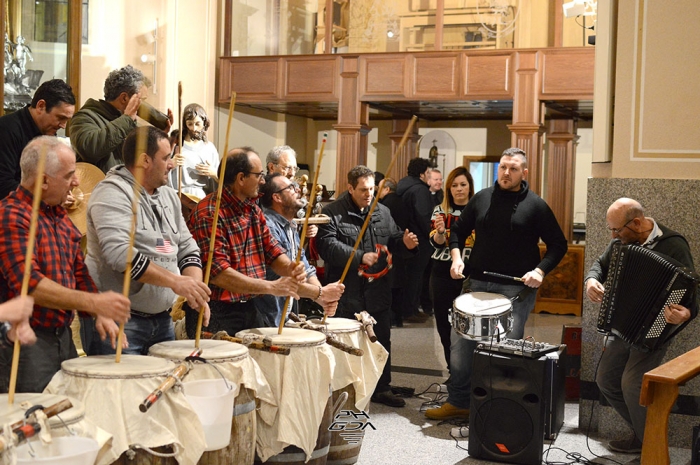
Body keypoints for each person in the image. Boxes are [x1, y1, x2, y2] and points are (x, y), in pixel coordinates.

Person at [425, 147, 567, 420]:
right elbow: (458, 230)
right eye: (503, 167)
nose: (506, 172)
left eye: (513, 168)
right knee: (461, 345)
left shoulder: (536, 205)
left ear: (524, 172)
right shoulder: (481, 199)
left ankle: (500, 406)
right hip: (476, 283)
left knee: (506, 350)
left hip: (515, 288)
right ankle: (459, 401)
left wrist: (540, 270)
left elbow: (557, 245)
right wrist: (456, 258)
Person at [0, 136, 131, 393]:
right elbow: (30, 285)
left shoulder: (57, 213)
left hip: (60, 337)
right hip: (24, 343)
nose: (77, 181)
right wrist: (93, 303)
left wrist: (99, 312)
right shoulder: (11, 216)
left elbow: (78, 272)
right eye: (69, 174)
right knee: (29, 419)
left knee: (64, 414)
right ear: (44, 181)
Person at [85, 126, 210, 355]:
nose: (172, 164)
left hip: (162, 322)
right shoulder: (112, 193)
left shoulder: (168, 194)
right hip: (121, 323)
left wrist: (194, 288)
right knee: (124, 390)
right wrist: (175, 281)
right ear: (145, 160)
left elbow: (186, 246)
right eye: (166, 157)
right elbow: (120, 255)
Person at [585, 198, 696, 455]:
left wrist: (686, 312)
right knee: (605, 379)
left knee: (632, 383)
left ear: (636, 223)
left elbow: (692, 291)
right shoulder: (620, 243)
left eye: (617, 229)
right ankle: (643, 433)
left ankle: (652, 448)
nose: (613, 236)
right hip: (623, 325)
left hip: (655, 329)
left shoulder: (674, 245)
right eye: (610, 230)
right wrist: (591, 281)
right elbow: (599, 265)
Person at [316, 165, 419, 408]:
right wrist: (359, 255)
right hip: (347, 291)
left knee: (381, 340)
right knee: (346, 343)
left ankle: (382, 388)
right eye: (363, 189)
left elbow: (393, 240)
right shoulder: (332, 212)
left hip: (378, 290)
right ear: (350, 188)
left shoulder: (382, 212)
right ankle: (343, 388)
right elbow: (327, 246)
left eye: (372, 189)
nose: (369, 194)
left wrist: (405, 244)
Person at [185, 147, 306, 338]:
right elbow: (219, 273)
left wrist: (290, 268)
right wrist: (270, 287)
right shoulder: (209, 213)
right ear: (241, 178)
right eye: (258, 175)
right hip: (216, 311)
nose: (263, 180)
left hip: (249, 308)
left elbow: (271, 251)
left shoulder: (252, 209)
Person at [256, 173, 345, 326]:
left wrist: (322, 298)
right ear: (277, 197)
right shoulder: (268, 226)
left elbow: (306, 268)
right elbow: (277, 277)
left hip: (285, 316)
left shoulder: (290, 226)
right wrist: (320, 293)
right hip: (267, 317)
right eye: (290, 188)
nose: (297, 190)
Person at [70, 65, 173, 173]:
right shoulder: (84, 117)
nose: (142, 106)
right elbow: (89, 149)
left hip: (126, 188)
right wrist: (127, 119)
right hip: (102, 188)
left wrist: (160, 135)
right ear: (124, 98)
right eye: (141, 100)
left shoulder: (129, 124)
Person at [428, 166, 474, 372]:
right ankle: (452, 371)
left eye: (463, 185)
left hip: (471, 271)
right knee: (445, 325)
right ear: (448, 189)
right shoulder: (440, 210)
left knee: (469, 326)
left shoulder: (478, 210)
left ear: (470, 187)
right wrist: (439, 232)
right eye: (454, 185)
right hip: (442, 271)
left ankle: (470, 372)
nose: (459, 189)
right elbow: (436, 243)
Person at [0, 79, 76, 199]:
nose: (63, 125)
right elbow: (3, 184)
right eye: (60, 118)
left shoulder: (48, 132)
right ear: (41, 106)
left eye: (67, 120)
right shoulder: (6, 129)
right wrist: (48, 196)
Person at [396, 157, 434, 323]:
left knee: (410, 275)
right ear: (421, 174)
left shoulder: (402, 186)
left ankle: (410, 308)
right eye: (428, 173)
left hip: (405, 236)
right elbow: (423, 216)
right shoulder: (420, 190)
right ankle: (409, 310)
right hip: (419, 239)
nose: (429, 176)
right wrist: (432, 235)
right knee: (415, 276)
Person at [170, 103, 219, 199]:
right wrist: (171, 164)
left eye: (197, 124)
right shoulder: (175, 144)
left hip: (200, 198)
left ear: (204, 123)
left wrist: (213, 173)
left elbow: (220, 181)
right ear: (185, 124)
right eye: (190, 124)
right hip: (177, 196)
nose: (194, 129)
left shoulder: (209, 148)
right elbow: (159, 172)